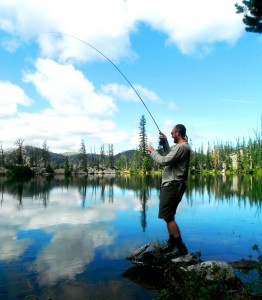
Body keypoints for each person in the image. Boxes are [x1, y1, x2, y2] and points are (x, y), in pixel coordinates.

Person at [146, 124, 190, 256]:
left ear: (178, 133)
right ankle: (172, 245)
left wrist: (152, 151)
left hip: (173, 184)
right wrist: (164, 142)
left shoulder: (182, 147)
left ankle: (180, 247)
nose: (171, 136)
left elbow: (164, 160)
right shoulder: (179, 147)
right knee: (169, 216)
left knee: (167, 216)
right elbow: (170, 154)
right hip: (172, 184)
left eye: (172, 133)